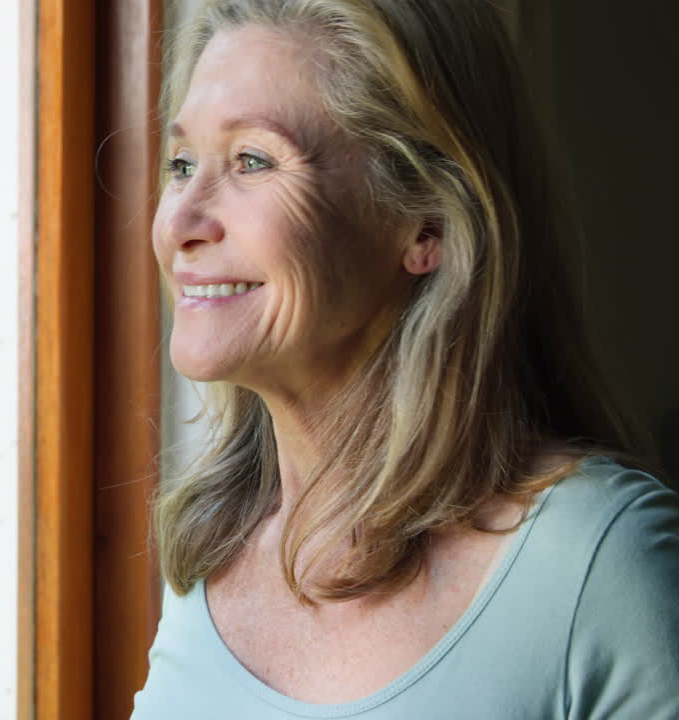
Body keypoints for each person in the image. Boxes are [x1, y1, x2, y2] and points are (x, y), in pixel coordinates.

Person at [132, 1, 679, 717]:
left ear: (428, 221)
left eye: (252, 160)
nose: (179, 222)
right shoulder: (208, 560)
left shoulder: (601, 564)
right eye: (182, 164)